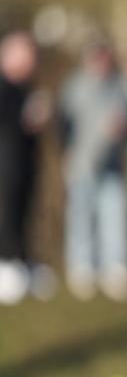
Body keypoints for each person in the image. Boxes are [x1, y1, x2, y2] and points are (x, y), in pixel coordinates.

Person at [59, 41, 127, 301]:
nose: (102, 65)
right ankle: (81, 267)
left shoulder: (122, 87)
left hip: (113, 165)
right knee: (81, 215)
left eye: (106, 60)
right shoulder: (74, 87)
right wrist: (66, 153)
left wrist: (126, 126)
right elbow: (64, 125)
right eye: (97, 60)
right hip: (81, 165)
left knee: (114, 216)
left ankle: (115, 267)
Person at [0, 32, 49, 304]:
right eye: (27, 53)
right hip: (6, 164)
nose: (33, 59)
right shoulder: (4, 88)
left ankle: (21, 261)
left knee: (24, 212)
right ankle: (6, 266)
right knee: (8, 213)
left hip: (24, 163)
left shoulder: (26, 88)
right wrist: (25, 119)